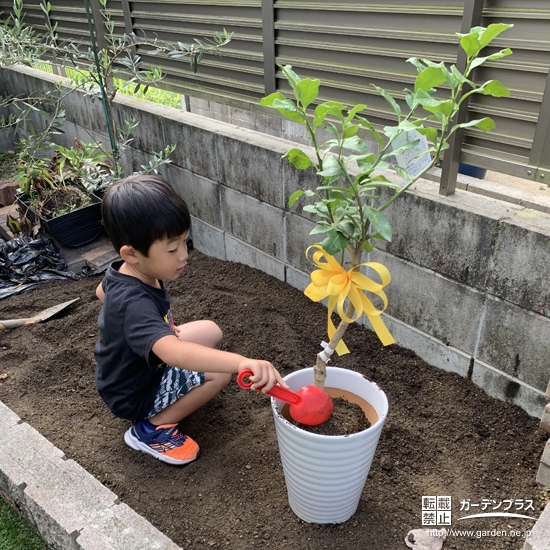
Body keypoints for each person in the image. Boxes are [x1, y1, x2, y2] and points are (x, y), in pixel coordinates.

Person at [94, 174, 287, 466]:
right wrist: (241, 363)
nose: (184, 255)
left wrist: (152, 332)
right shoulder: (133, 303)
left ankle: (164, 374)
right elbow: (176, 353)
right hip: (135, 394)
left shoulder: (127, 272)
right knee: (218, 373)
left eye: (184, 241)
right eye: (172, 249)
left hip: (137, 369)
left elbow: (101, 291)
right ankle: (151, 430)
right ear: (131, 254)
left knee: (210, 331)